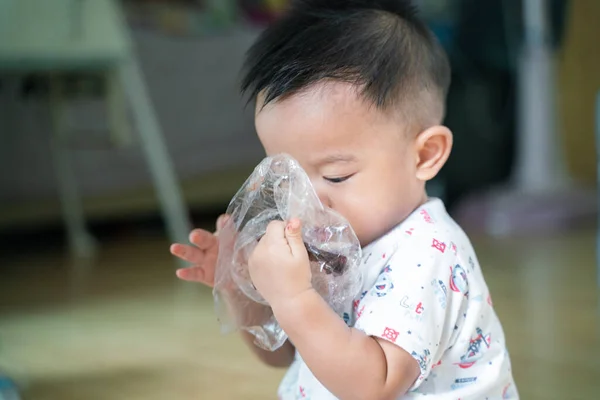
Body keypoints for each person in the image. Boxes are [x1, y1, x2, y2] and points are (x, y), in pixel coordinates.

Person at [170, 0, 518, 398]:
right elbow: (284, 355)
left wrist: (293, 297)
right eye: (288, 178)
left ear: (424, 155)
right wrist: (241, 288)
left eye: (336, 175)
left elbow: (374, 384)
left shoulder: (428, 253)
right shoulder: (327, 243)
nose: (306, 201)